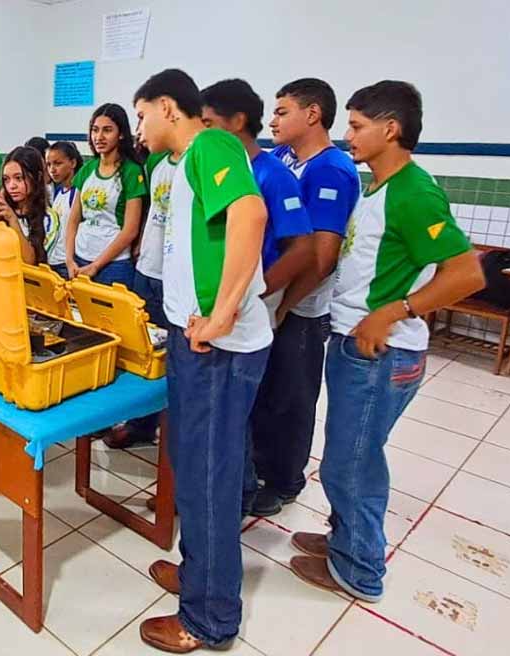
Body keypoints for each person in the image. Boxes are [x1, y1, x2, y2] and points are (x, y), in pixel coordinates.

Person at [289, 81, 483, 603]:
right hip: (355, 342)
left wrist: (393, 312)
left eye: (355, 126)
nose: (346, 135)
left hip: (382, 351)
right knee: (346, 453)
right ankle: (343, 541)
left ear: (390, 128)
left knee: (353, 462)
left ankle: (359, 568)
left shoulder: (415, 192)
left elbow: (466, 274)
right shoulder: (376, 186)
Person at [133, 69, 272, 653]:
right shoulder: (184, 161)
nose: (138, 130)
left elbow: (252, 215)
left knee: (209, 480)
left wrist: (222, 313)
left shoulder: (210, 143)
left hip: (219, 348)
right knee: (191, 468)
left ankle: (209, 618)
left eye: (141, 116)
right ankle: (199, 575)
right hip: (197, 341)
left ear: (169, 108)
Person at [238, 78, 361, 517]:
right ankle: (258, 467)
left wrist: (285, 305)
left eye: (283, 111)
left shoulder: (331, 169)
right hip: (271, 301)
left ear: (312, 114)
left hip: (303, 309)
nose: (273, 120)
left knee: (291, 397)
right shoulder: (284, 158)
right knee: (266, 393)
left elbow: (321, 256)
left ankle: (285, 481)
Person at [199, 79, 316, 516]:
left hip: (249, 309)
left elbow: (303, 248)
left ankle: (244, 492)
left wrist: (257, 290)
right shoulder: (220, 168)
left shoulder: (271, 174)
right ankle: (233, 485)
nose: (203, 134)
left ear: (237, 123)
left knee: (240, 410)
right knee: (224, 411)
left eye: (209, 123)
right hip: (221, 308)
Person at [99, 146, 175, 450]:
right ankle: (141, 425)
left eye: (145, 116)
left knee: (170, 364)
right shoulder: (156, 161)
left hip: (175, 280)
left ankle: (170, 436)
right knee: (141, 351)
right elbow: (152, 212)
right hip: (146, 268)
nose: (140, 127)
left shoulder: (198, 160)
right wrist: (142, 245)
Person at [64, 103, 147, 287]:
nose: (99, 137)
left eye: (107, 130)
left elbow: (130, 229)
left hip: (114, 265)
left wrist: (96, 265)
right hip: (80, 259)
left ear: (121, 134)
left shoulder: (131, 172)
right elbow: (73, 220)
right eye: (95, 130)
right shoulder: (87, 169)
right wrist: (69, 259)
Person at [0, 146, 50, 265]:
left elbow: (29, 261)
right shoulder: (1, 209)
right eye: (6, 179)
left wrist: (12, 220)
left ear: (37, 177)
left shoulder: (49, 217)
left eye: (18, 178)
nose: (11, 186)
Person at [44, 141, 83, 278]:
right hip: (52, 260)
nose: (52, 169)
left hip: (66, 263)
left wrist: (69, 260)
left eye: (57, 163)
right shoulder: (59, 192)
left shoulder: (78, 192)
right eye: (49, 164)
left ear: (72, 163)